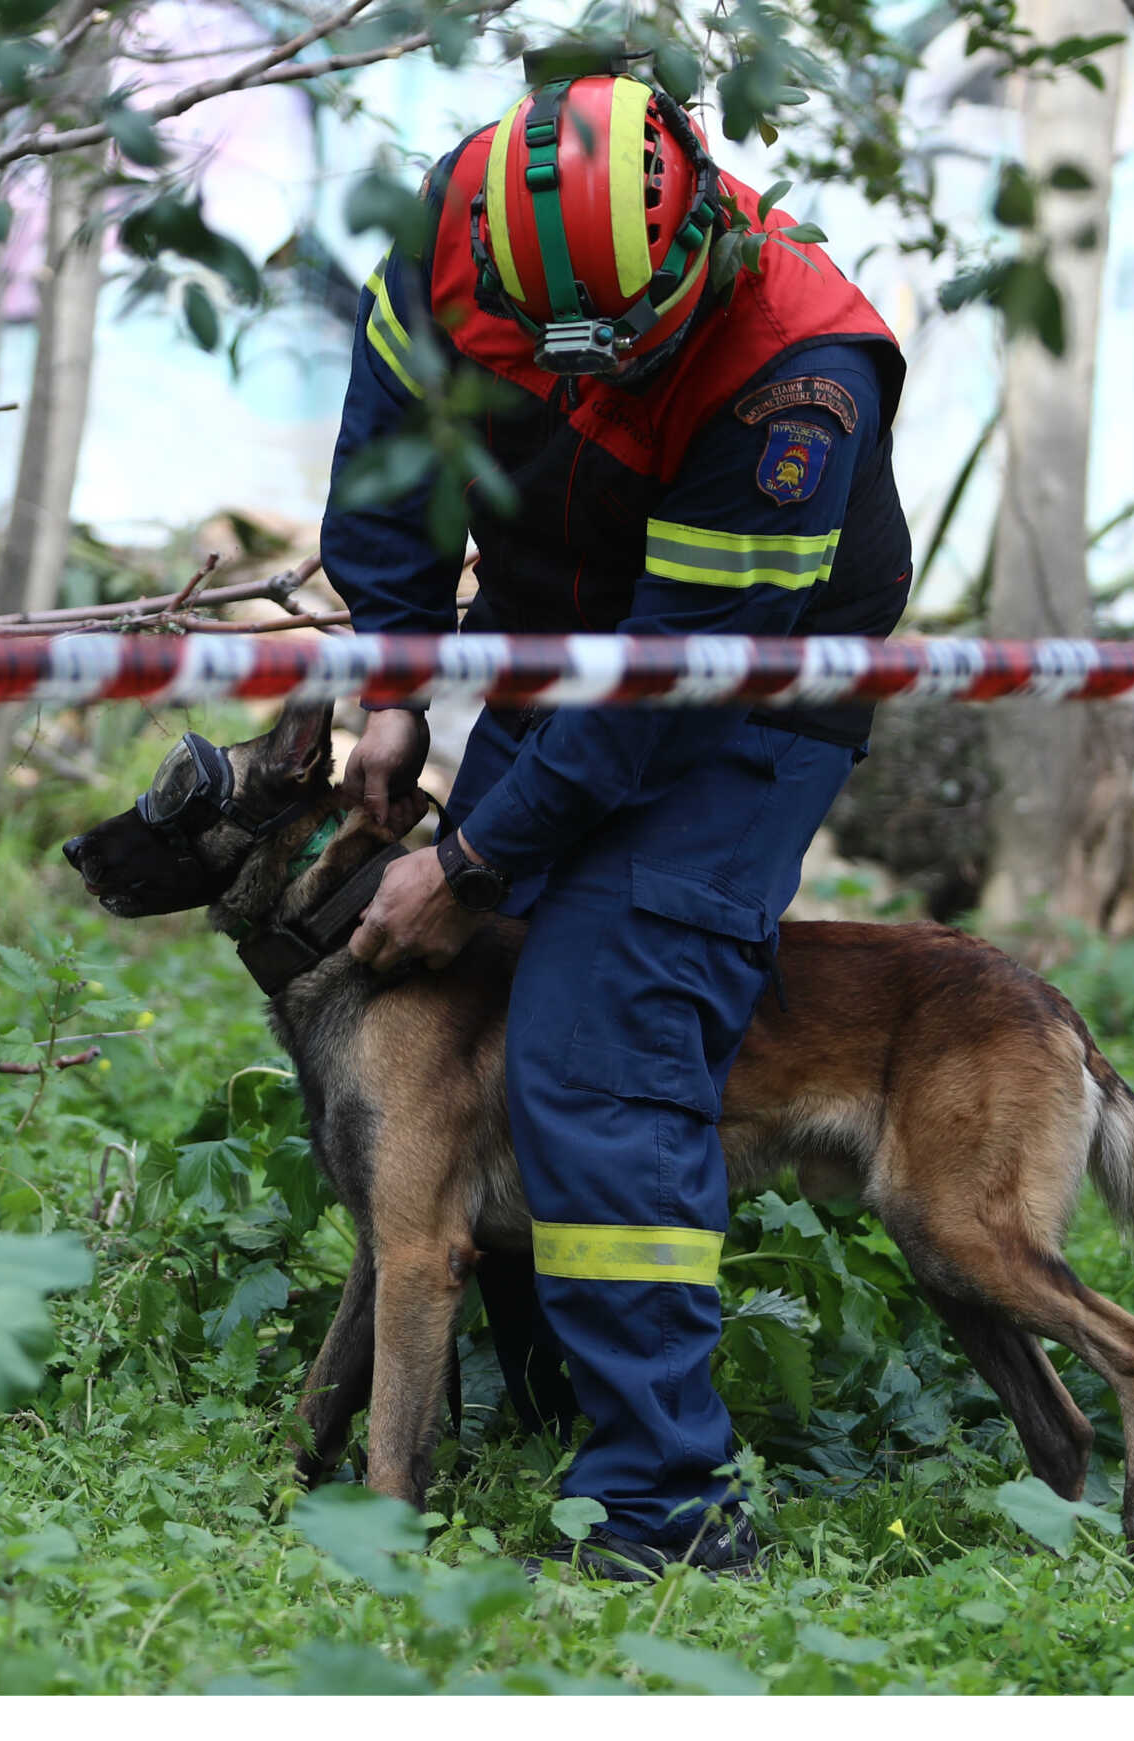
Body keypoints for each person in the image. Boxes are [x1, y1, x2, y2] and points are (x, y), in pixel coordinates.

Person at [319, 54, 912, 1580]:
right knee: (475, 1019)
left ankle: (667, 1504)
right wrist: (393, 679)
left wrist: (471, 860)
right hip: (556, 644)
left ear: (698, 234)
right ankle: (534, 1396)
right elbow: (393, 470)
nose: (581, 374)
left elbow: (662, 695)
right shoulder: (457, 229)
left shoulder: (799, 370)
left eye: (618, 347)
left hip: (735, 699)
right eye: (546, 346)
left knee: (597, 1038)